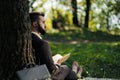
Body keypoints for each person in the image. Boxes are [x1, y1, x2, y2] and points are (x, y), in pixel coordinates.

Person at [29, 12, 82, 80]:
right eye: (43, 22)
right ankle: (76, 73)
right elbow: (52, 70)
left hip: (35, 73)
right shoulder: (42, 44)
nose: (45, 25)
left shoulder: (29, 40)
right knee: (66, 68)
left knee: (65, 69)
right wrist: (57, 64)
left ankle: (75, 73)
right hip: (44, 76)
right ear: (35, 24)